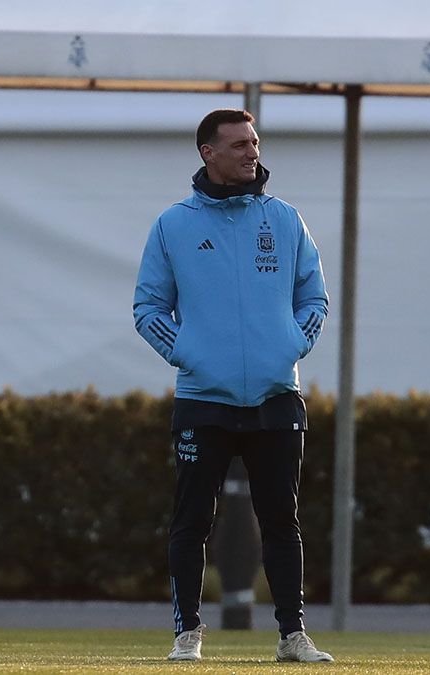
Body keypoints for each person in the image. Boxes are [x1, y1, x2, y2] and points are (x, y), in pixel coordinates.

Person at [133, 109, 333, 662]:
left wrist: (292, 344)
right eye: (240, 144)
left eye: (255, 142)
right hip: (203, 400)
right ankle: (187, 634)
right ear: (208, 152)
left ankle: (293, 636)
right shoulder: (174, 224)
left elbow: (313, 296)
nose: (252, 153)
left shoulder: (285, 219)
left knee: (281, 522)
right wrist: (187, 354)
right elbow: (148, 307)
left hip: (276, 396)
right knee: (192, 520)